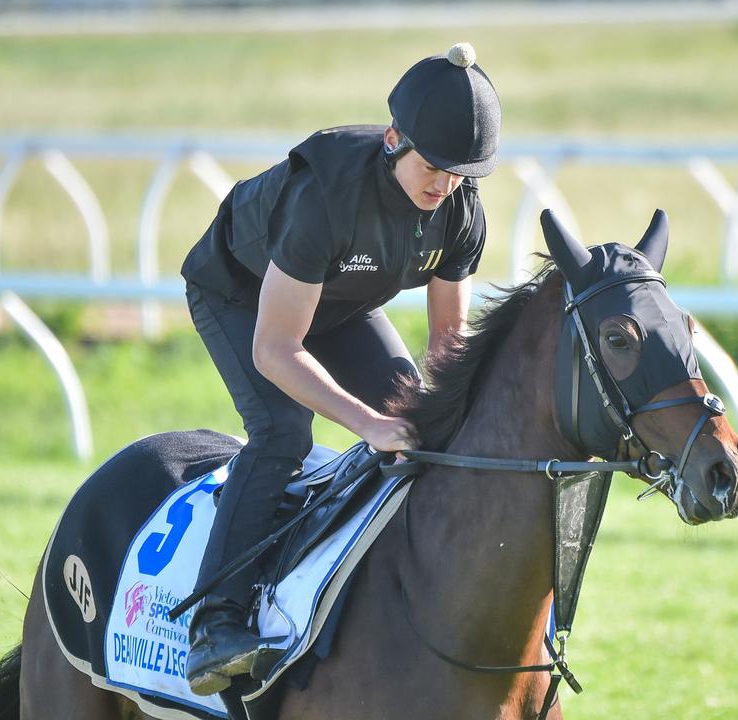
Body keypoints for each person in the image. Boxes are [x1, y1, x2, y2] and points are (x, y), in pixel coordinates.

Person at [178, 42, 501, 695]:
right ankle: (215, 622)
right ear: (393, 138)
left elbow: (447, 344)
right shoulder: (324, 199)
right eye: (434, 166)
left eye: (461, 173)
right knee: (284, 432)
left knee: (421, 428)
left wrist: (436, 420)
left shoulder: (461, 212)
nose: (444, 185)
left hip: (338, 307)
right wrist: (366, 421)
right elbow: (276, 348)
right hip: (241, 297)